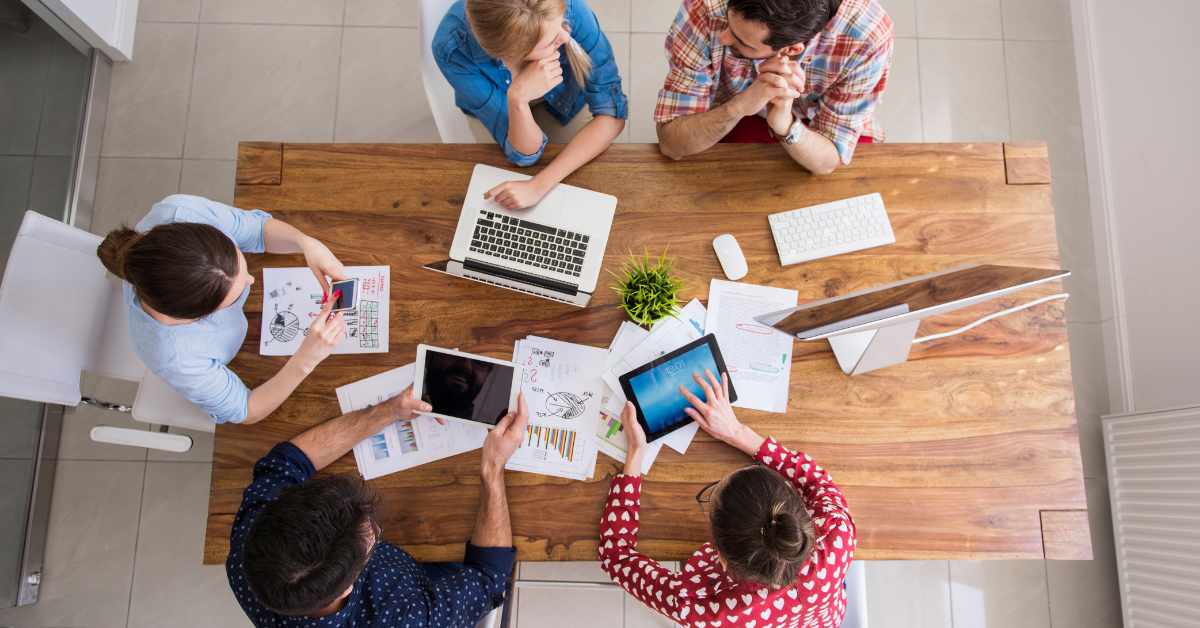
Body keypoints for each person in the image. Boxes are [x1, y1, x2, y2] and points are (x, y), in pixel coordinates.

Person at [227, 383, 530, 626]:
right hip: (424, 582)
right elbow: (489, 578)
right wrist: (493, 466)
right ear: (348, 587)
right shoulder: (411, 619)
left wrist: (388, 411)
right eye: (372, 530)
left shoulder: (251, 553)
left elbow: (284, 464)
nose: (371, 515)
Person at [599, 370, 856, 628]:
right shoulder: (837, 531)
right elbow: (816, 482)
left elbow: (615, 555)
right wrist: (737, 432)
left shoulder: (699, 608)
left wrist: (634, 452)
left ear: (719, 556)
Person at [96, 195, 348, 425]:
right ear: (202, 317)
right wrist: (306, 359)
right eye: (235, 293)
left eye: (239, 259)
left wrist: (306, 243)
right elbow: (246, 410)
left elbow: (257, 230)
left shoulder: (181, 211)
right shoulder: (176, 358)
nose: (250, 280)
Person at [654, 0, 893, 175]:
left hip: (817, 121)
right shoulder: (704, 7)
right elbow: (671, 144)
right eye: (728, 22)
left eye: (741, 41)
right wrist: (738, 107)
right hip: (738, 114)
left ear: (791, 50)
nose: (723, 38)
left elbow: (827, 163)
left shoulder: (869, 36)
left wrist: (784, 123)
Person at [434, 0, 627, 209]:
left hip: (566, 100)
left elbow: (611, 113)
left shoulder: (567, 5)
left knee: (579, 184)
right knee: (506, 179)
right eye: (551, 41)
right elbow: (524, 156)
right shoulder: (451, 49)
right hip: (504, 104)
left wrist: (538, 185)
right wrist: (518, 99)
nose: (565, 37)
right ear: (514, 55)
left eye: (561, 24)